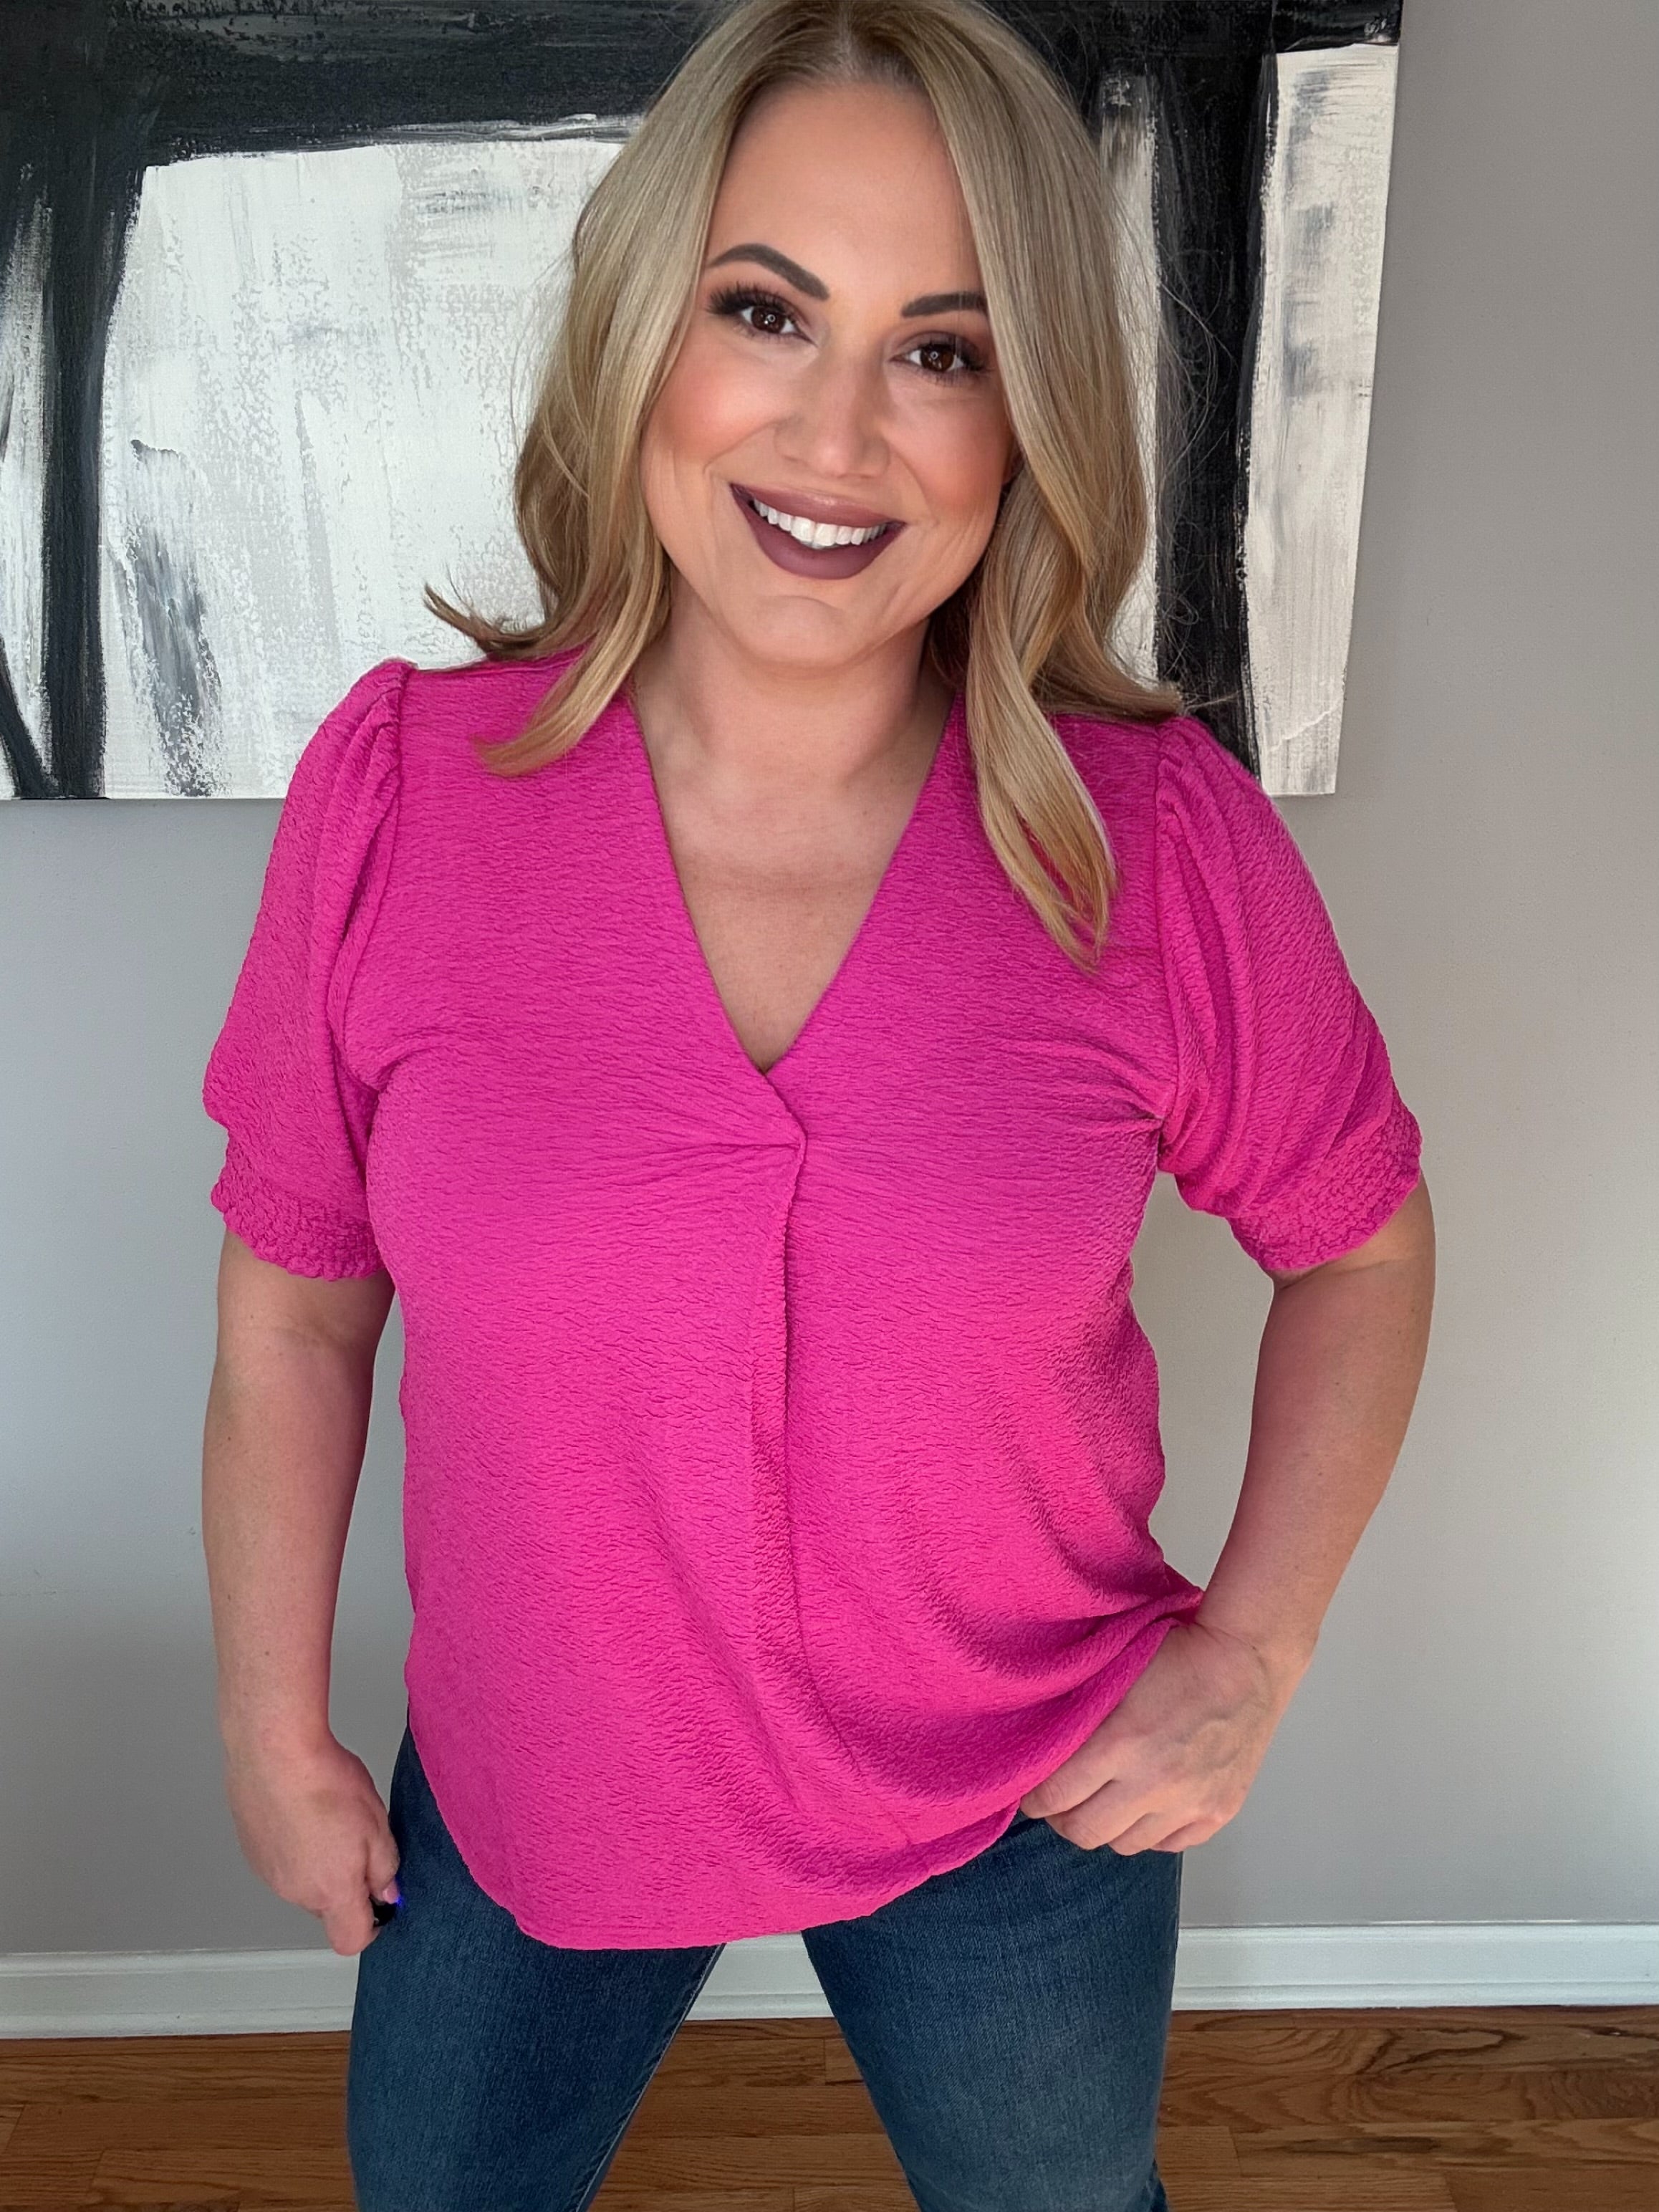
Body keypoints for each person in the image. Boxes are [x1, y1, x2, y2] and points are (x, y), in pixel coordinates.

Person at [199, 1, 1435, 2206]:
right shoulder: (401, 794)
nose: (837, 431)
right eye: (763, 311)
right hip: (534, 1770)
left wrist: (1252, 1648)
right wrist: (270, 1723)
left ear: (1025, 419)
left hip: (1016, 1793)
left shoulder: (1151, 845)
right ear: (640, 336)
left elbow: (1358, 1241)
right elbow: (298, 1303)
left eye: (940, 350)